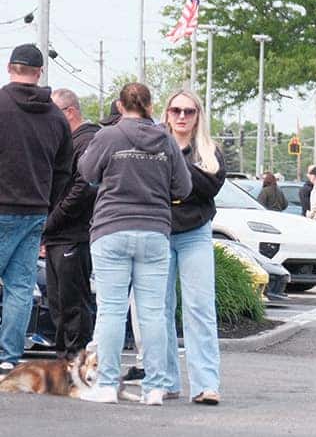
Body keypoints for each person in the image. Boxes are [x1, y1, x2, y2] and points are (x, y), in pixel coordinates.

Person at [77, 83, 191, 404]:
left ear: (119, 104)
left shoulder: (108, 137)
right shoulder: (165, 141)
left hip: (111, 229)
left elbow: (86, 171)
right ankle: (155, 387)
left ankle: (107, 384)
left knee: (111, 311)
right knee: (153, 313)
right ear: (151, 106)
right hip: (154, 231)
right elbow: (183, 186)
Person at [0, 45, 73, 371]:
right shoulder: (56, 117)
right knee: (19, 287)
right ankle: (7, 357)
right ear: (39, 72)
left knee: (16, 286)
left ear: (8, 67)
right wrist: (49, 204)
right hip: (35, 212)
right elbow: (65, 170)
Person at [161, 89, 226, 405]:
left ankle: (205, 384)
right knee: (158, 309)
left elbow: (208, 187)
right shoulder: (153, 145)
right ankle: (166, 380)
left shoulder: (210, 152)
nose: (182, 116)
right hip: (158, 233)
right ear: (167, 113)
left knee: (199, 308)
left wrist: (174, 163)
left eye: (189, 111)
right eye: (176, 110)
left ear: (198, 115)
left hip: (195, 233)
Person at [42, 88, 100, 358]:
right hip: (56, 235)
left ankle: (77, 359)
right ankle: (63, 358)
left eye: (54, 113)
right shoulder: (65, 142)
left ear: (70, 112)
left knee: (73, 301)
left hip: (73, 234)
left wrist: (53, 220)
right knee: (57, 302)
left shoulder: (86, 141)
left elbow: (83, 188)